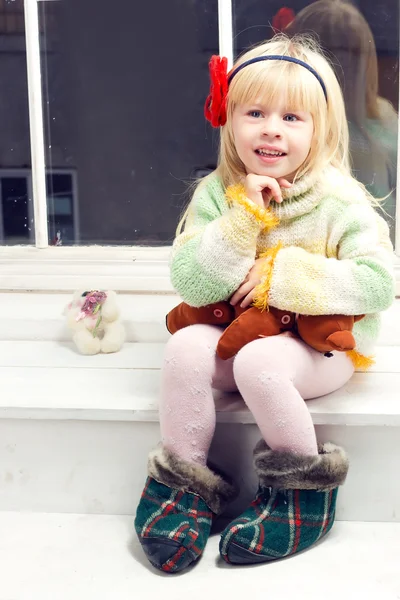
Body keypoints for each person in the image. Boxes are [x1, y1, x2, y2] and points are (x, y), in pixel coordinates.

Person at [134, 34, 396, 574]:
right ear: (230, 120)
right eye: (255, 112)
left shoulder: (339, 200)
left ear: (320, 130)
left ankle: (301, 491)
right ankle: (183, 482)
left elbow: (377, 283)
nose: (271, 127)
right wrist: (242, 221)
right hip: (237, 330)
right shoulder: (217, 193)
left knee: (259, 363)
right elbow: (191, 281)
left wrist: (284, 277)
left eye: (292, 117)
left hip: (318, 346)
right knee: (185, 347)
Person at [285, 0, 398, 239]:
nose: (340, 65)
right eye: (330, 52)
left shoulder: (384, 121)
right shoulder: (287, 127)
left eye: (350, 53)